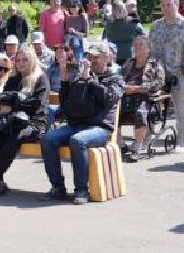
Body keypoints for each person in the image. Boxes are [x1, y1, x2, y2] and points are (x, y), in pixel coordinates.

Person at [41, 41, 124, 203]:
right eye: (90, 57)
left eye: (96, 57)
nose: (92, 60)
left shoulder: (116, 79)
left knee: (77, 141)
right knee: (47, 139)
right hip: (76, 125)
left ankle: (81, 190)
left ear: (107, 58)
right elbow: (67, 105)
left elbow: (108, 98)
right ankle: (57, 188)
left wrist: (90, 81)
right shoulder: (81, 76)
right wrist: (65, 81)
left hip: (100, 128)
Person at [0, 43, 50, 197]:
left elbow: (37, 105)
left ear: (32, 60)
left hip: (34, 122)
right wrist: (4, 104)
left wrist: (14, 105)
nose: (21, 63)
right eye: (18, 60)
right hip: (11, 120)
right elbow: (2, 99)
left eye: (25, 60)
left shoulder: (41, 78)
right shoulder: (13, 79)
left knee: (14, 137)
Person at [148, 0, 184, 151]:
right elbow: (150, 51)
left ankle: (182, 142)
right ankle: (146, 138)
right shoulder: (156, 26)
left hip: (177, 73)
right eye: (163, 5)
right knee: (149, 103)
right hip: (156, 73)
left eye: (168, 4)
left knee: (181, 106)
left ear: (177, 5)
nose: (165, 8)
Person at [120, 35, 167, 160]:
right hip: (126, 96)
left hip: (148, 98)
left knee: (140, 112)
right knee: (111, 109)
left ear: (148, 48)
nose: (137, 47)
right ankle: (120, 143)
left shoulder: (155, 64)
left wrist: (138, 88)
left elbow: (159, 83)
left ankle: (137, 146)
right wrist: (123, 87)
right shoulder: (129, 63)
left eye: (140, 44)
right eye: (135, 45)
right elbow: (119, 79)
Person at [102, 0, 144, 66]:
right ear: (124, 10)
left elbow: (104, 38)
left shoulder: (109, 24)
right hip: (129, 54)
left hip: (114, 54)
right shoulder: (133, 24)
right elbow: (143, 35)